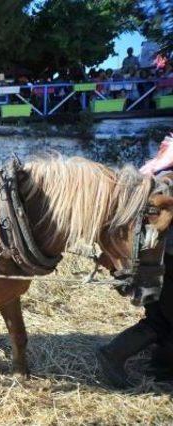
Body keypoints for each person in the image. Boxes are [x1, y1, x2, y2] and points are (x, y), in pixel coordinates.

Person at [97, 136, 173, 387]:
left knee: (160, 316)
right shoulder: (164, 175)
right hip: (163, 256)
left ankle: (162, 367)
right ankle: (114, 354)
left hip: (155, 255)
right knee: (162, 318)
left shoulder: (157, 167)